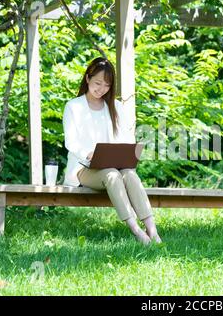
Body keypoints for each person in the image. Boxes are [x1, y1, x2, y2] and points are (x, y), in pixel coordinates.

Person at [62, 57, 161, 245]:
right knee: (112, 175)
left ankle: (153, 230)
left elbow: (126, 138)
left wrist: (124, 153)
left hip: (113, 165)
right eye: (97, 83)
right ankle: (137, 231)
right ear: (87, 78)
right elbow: (71, 142)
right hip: (84, 169)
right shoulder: (73, 106)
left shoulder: (115, 107)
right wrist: (88, 154)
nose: (101, 89)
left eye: (107, 85)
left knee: (130, 175)